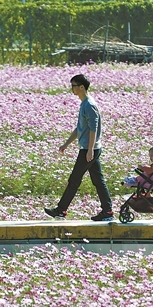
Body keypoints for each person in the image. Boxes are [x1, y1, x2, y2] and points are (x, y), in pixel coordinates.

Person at [45, 74, 114, 222]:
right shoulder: (84, 104)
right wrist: (66, 144)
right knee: (98, 180)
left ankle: (60, 210)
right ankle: (107, 210)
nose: (72, 89)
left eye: (74, 86)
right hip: (90, 148)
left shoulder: (89, 105)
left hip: (90, 149)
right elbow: (80, 129)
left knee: (74, 179)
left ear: (82, 87)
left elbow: (94, 128)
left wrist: (89, 149)